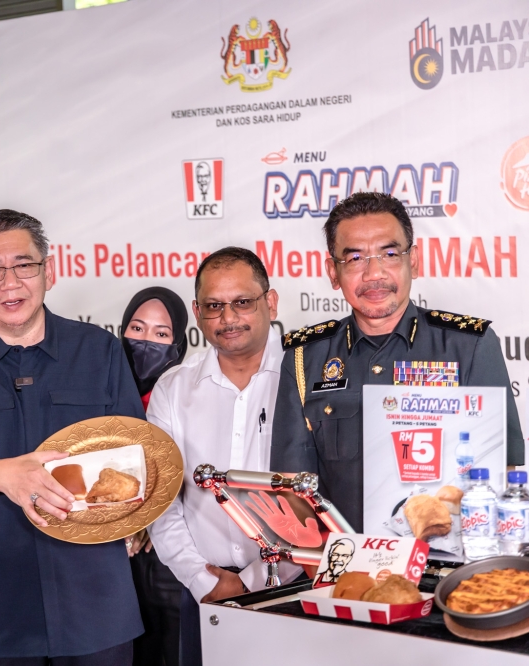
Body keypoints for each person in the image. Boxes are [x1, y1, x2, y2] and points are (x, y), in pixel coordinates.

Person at [0, 209, 144, 665]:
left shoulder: (99, 349)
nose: (10, 283)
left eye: (24, 265)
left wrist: (139, 517)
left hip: (95, 598)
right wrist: (4, 474)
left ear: (50, 270)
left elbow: (133, 451)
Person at [270, 192, 525, 530]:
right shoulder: (305, 358)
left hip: (445, 563)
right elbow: (293, 490)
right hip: (347, 566)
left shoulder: (470, 346)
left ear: (414, 261)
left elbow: (507, 469)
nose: (374, 273)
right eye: (356, 258)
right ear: (333, 272)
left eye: (390, 254)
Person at [146, 247, 301, 666]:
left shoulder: (305, 379)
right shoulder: (173, 388)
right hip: (202, 589)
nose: (228, 318)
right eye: (214, 306)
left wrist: (257, 580)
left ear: (270, 302)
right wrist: (201, 579)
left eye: (242, 302)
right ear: (197, 312)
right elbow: (160, 498)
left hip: (293, 587)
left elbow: (317, 493)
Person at [119, 287, 188, 666]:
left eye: (162, 334)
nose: (146, 342)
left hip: (169, 561)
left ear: (177, 344)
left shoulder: (187, 397)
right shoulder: (97, 393)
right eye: (137, 328)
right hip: (111, 559)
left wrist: (151, 515)